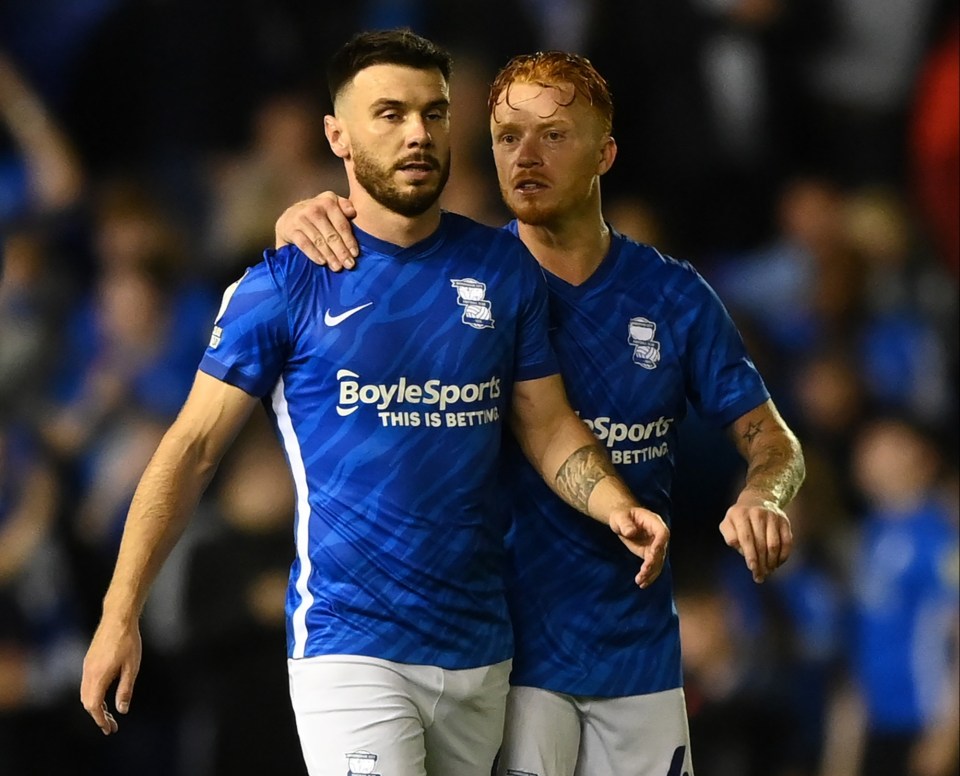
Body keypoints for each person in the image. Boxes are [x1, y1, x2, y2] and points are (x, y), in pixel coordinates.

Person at [79, 30, 671, 776]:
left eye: (432, 112)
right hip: (349, 647)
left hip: (482, 650)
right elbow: (191, 449)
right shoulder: (283, 285)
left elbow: (546, 424)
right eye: (388, 114)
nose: (416, 133)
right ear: (337, 135)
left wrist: (612, 502)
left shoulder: (502, 269)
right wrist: (119, 610)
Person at [276, 49, 805, 776]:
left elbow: (770, 437)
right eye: (505, 136)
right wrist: (302, 223)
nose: (525, 156)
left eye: (553, 135)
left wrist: (762, 493)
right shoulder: (460, 281)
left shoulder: (674, 297)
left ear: (606, 153)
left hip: (640, 658)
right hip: (511, 664)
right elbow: (353, 274)